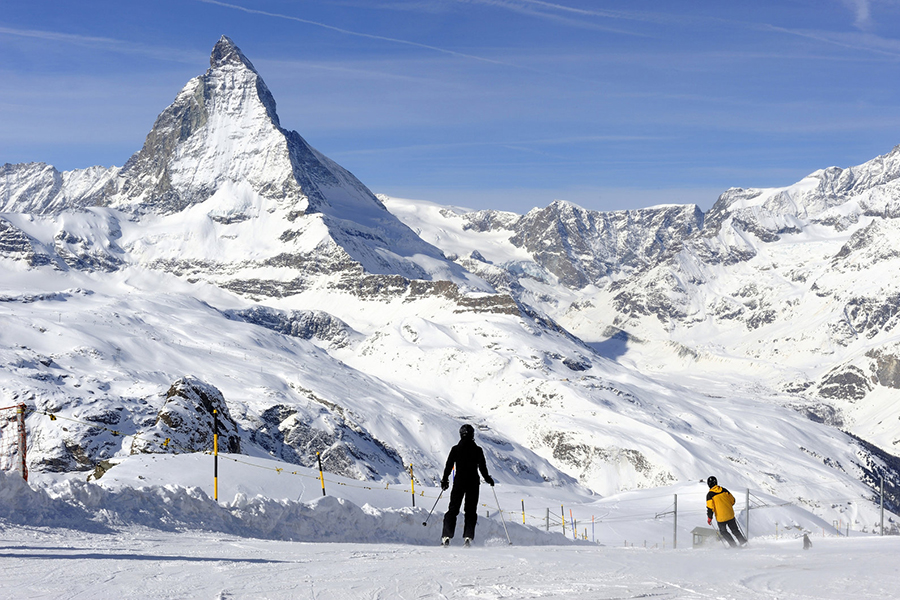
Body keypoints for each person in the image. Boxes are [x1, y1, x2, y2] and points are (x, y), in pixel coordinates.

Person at [441, 424, 494, 547]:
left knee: (453, 509)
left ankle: (446, 536)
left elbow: (449, 465)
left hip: (459, 481)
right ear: (472, 434)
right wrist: (488, 479)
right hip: (473, 482)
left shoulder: (455, 449)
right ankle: (468, 538)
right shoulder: (478, 450)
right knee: (470, 511)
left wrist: (445, 480)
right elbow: (482, 468)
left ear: (461, 434)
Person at [706, 476, 747, 547]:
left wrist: (710, 518)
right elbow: (733, 500)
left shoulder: (710, 495)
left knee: (723, 532)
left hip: (720, 517)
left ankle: (733, 545)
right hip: (730, 514)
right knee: (735, 530)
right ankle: (743, 543)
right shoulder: (724, 490)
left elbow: (710, 508)